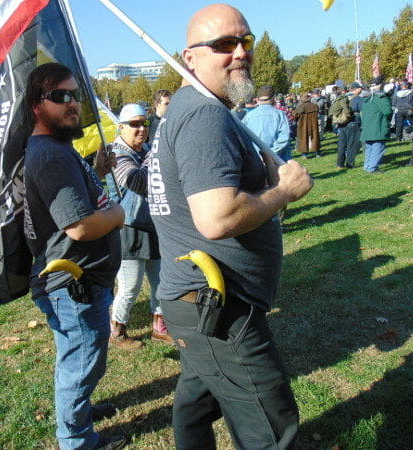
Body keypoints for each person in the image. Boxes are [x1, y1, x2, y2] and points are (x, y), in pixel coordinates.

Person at [148, 4, 313, 449]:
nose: (240, 52)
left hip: (198, 301)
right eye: (223, 44)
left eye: (246, 41)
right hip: (218, 305)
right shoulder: (204, 115)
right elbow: (216, 218)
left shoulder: (191, 109)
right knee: (270, 425)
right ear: (190, 58)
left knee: (196, 403)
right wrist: (284, 192)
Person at [23, 62, 126, 450]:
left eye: (75, 95)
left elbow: (72, 201)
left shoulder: (57, 149)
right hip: (72, 284)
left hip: (77, 279)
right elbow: (80, 227)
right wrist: (118, 214)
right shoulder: (50, 154)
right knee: (81, 362)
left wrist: (94, 170)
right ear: (37, 105)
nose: (72, 104)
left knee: (81, 358)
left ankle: (77, 411)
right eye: (60, 97)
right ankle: (76, 439)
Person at [108, 103, 171, 349]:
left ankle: (160, 327)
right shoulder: (116, 153)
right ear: (121, 126)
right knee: (130, 287)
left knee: (162, 281)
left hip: (154, 225)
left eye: (144, 123)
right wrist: (155, 155)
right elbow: (138, 182)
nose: (141, 129)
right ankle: (117, 330)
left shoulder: (144, 149)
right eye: (134, 124)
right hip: (129, 230)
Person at [242, 85, 291, 161]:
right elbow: (284, 138)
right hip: (277, 161)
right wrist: (271, 155)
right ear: (273, 98)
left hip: (255, 160)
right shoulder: (280, 115)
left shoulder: (249, 116)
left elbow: (242, 137)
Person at [360, 75, 393, 173]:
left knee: (369, 147)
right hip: (378, 126)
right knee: (378, 147)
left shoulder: (366, 99)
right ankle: (372, 168)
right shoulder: (381, 98)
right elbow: (388, 112)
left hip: (367, 127)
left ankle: (367, 166)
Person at [331, 82, 361, 169]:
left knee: (342, 144)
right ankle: (350, 164)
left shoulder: (340, 98)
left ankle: (339, 164)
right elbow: (362, 110)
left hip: (342, 122)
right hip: (353, 122)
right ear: (356, 89)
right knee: (351, 144)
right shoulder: (357, 99)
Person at [294, 92, 320, 157]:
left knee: (303, 137)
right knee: (315, 137)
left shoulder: (300, 106)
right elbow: (318, 113)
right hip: (313, 123)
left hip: (303, 124)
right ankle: (317, 152)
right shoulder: (314, 105)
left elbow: (295, 115)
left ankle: (305, 154)